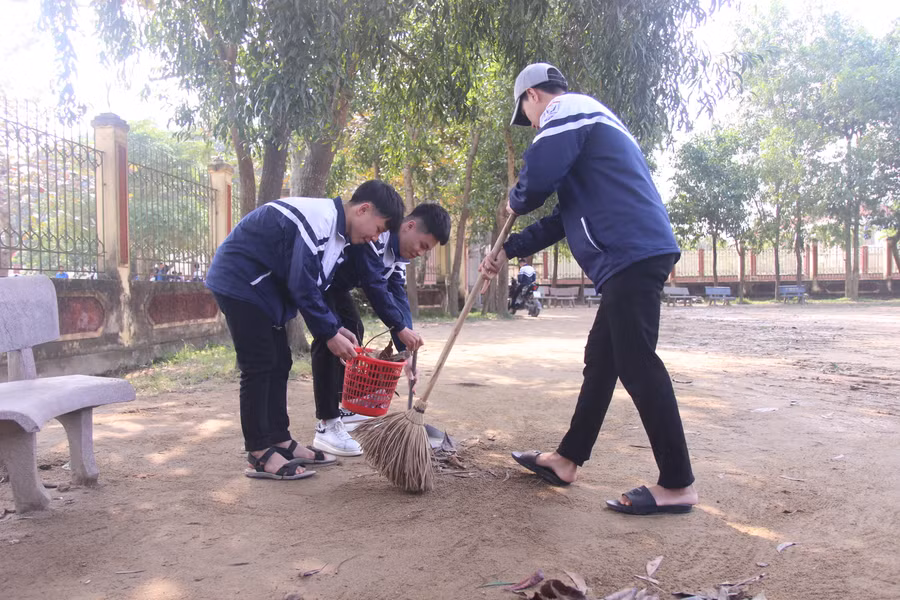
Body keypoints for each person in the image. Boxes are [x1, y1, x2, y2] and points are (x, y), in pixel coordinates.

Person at [479, 63, 697, 515]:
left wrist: (516, 196)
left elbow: (536, 181)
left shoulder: (567, 109)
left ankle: (677, 485)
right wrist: (509, 249)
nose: (532, 125)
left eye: (527, 115)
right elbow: (563, 218)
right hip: (628, 255)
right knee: (602, 360)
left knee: (637, 363)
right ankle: (566, 460)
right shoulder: (586, 134)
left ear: (533, 96)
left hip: (631, 252)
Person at [205, 180, 406, 480]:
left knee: (280, 362)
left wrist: (335, 328)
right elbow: (302, 284)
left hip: (264, 292)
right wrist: (329, 334)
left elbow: (315, 286)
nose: (375, 237)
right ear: (363, 209)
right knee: (259, 364)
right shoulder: (320, 220)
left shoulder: (338, 235)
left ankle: (279, 439)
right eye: (378, 229)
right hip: (241, 282)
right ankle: (258, 453)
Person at [309, 203, 451, 456]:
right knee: (330, 337)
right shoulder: (378, 235)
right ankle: (327, 424)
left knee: (354, 330)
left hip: (337, 287)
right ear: (409, 226)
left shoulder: (399, 257)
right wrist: (399, 327)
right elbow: (374, 284)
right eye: (422, 245)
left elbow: (397, 294)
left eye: (426, 250)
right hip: (320, 283)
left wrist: (406, 350)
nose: (420, 253)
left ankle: (343, 408)